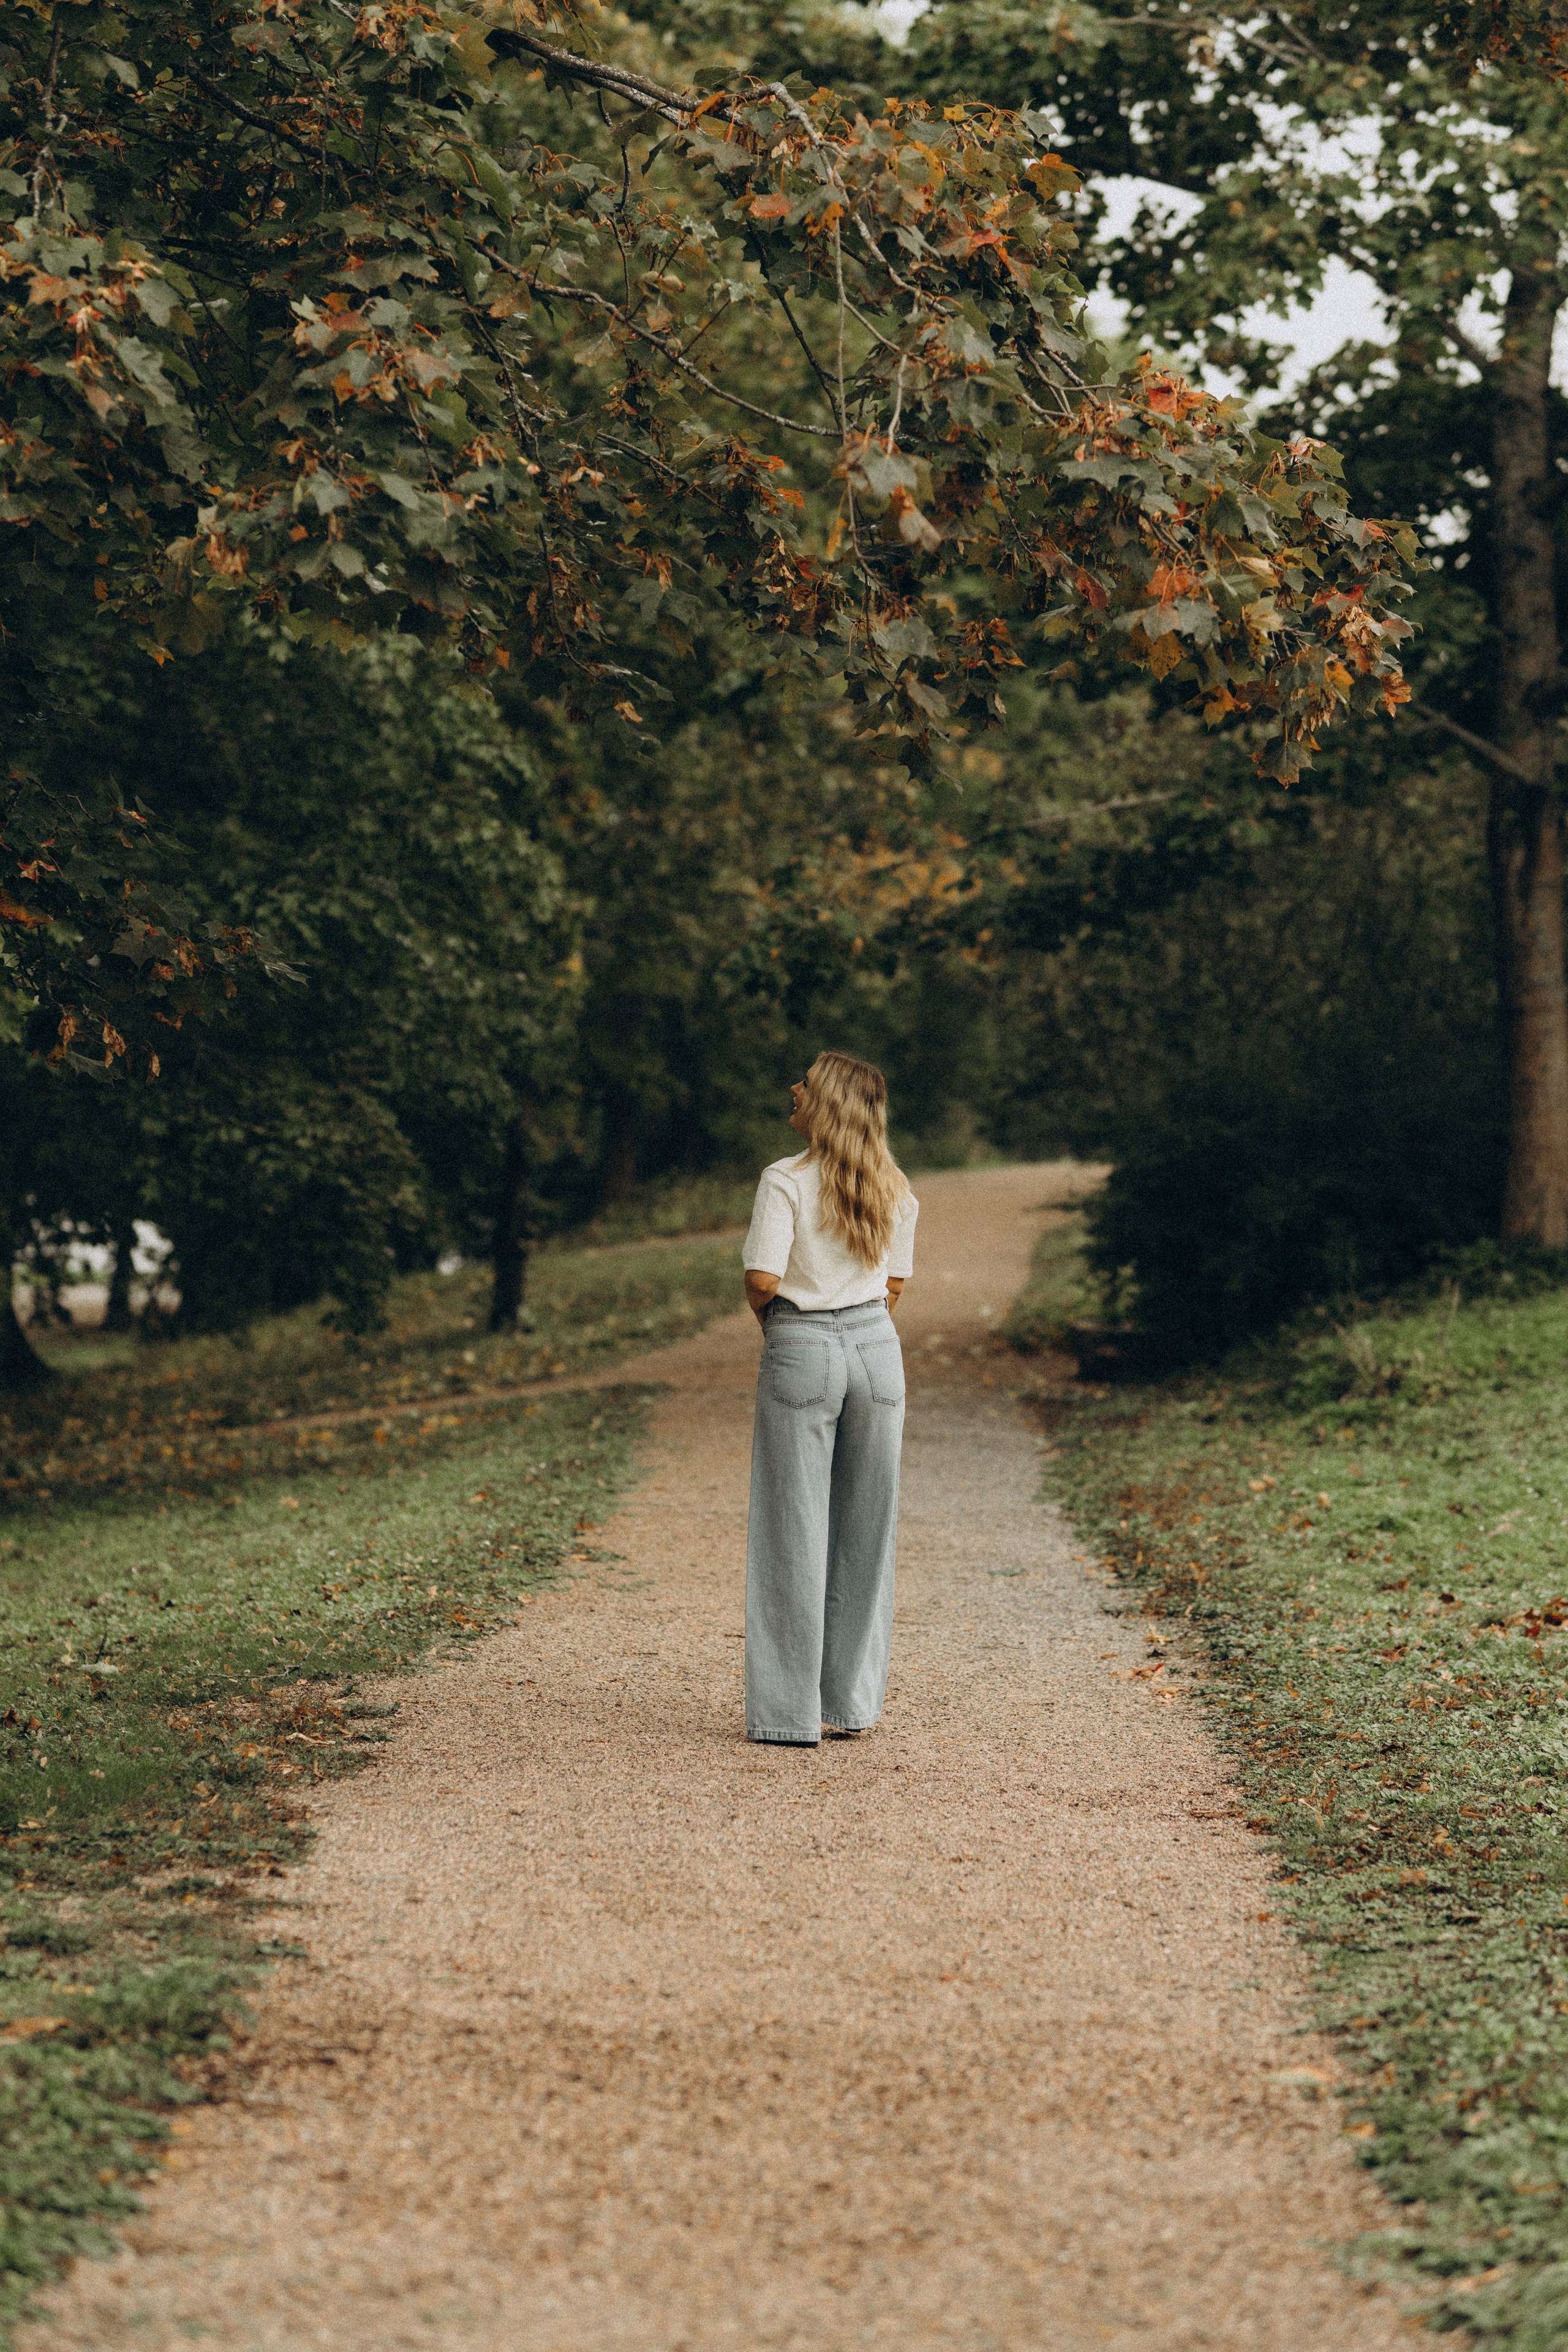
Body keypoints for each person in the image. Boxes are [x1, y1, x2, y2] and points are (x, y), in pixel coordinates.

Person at [740, 1051, 919, 1747]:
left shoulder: (784, 1180)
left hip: (802, 1345)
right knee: (866, 1530)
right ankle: (849, 1703)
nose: (794, 1088)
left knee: (793, 1528)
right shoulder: (895, 1186)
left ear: (828, 1104)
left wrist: (780, 1328)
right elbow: (893, 1286)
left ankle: (787, 1715)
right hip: (878, 1351)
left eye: (806, 1084)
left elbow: (762, 1277)